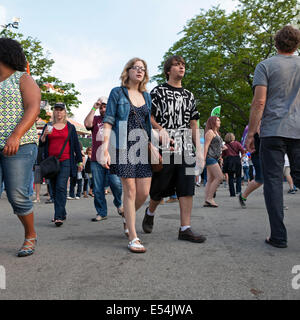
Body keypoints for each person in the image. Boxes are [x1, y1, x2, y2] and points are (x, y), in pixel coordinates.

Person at [142, 55, 206, 244]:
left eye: (183, 65)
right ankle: (150, 211)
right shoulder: (158, 91)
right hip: (164, 144)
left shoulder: (189, 95)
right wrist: (160, 130)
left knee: (187, 187)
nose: (181, 67)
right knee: (160, 186)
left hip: (185, 144)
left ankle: (185, 228)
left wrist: (199, 150)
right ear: (168, 70)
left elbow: (194, 124)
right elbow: (149, 117)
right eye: (177, 65)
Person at [246, 25, 300, 248]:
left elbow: (259, 102)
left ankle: (278, 236)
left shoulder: (265, 66)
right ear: (297, 44)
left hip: (272, 131)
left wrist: (251, 133)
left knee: (274, 182)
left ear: (276, 43)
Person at [101, 58, 153, 253]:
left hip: (141, 145)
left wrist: (153, 144)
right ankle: (133, 236)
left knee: (144, 192)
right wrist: (105, 148)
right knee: (129, 190)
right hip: (122, 145)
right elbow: (109, 120)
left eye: (143, 68)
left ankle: (125, 214)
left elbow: (147, 124)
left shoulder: (146, 96)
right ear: (128, 71)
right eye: (136, 67)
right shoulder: (117, 92)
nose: (139, 71)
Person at [0, 38, 40, 257]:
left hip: (20, 144)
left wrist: (15, 135)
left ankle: (30, 235)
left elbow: (33, 107)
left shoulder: (22, 78)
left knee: (16, 194)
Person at [40, 102, 83, 227]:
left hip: (65, 161)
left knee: (61, 187)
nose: (59, 112)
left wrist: (79, 161)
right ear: (54, 112)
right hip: (51, 162)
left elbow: (75, 145)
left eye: (61, 110)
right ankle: (62, 212)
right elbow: (42, 144)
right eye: (57, 110)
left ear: (65, 112)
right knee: (53, 188)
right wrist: (43, 136)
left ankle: (58, 216)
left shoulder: (70, 127)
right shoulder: (48, 126)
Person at [84, 97, 124, 225]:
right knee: (98, 188)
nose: (103, 109)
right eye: (101, 107)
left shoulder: (115, 119)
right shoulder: (96, 119)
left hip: (113, 157)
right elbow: (87, 124)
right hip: (97, 158)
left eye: (105, 106)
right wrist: (94, 107)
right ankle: (101, 212)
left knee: (115, 182)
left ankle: (118, 203)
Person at [203, 116, 224, 207]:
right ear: (213, 122)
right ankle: (210, 198)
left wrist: (220, 156)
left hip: (215, 158)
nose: (220, 122)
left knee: (211, 179)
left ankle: (207, 200)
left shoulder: (217, 133)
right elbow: (206, 146)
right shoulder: (210, 132)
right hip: (210, 157)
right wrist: (203, 159)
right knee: (219, 177)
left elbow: (217, 146)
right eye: (218, 120)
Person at [222, 133, 245, 197]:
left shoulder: (225, 145)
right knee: (238, 176)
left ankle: (232, 193)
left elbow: (223, 155)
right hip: (237, 160)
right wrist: (241, 158)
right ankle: (238, 190)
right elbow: (243, 151)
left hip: (229, 161)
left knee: (231, 177)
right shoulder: (237, 143)